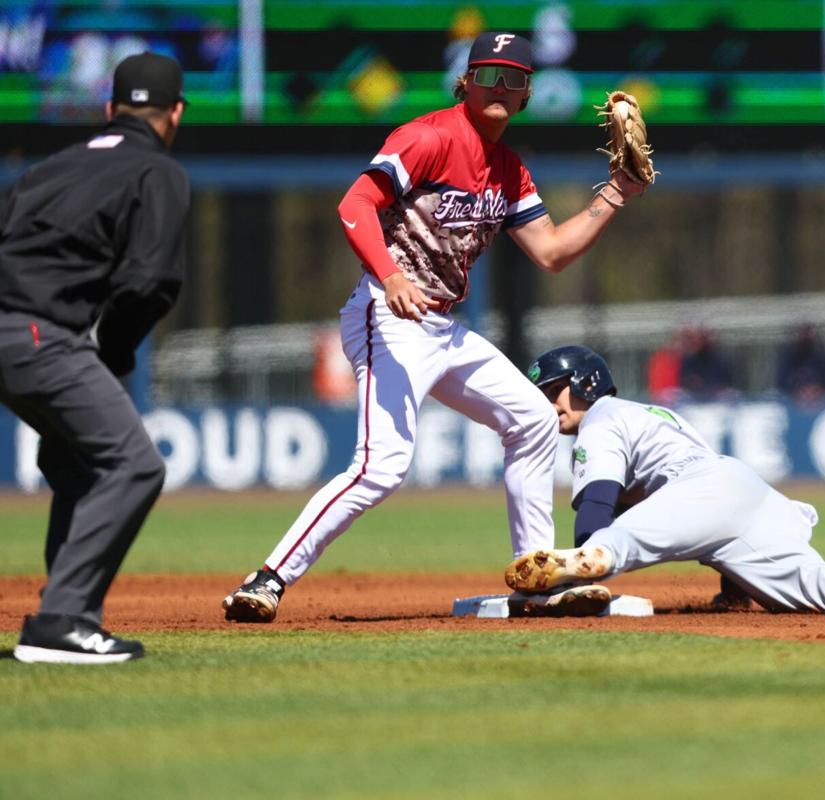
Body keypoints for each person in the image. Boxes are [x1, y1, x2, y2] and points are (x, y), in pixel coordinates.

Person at [222, 32, 647, 622]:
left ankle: (537, 575)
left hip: (441, 327)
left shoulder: (507, 169)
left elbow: (550, 251)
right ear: (466, 82)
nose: (501, 87)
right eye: (489, 75)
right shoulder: (427, 136)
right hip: (387, 313)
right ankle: (269, 578)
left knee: (531, 420)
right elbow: (355, 205)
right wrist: (390, 274)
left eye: (514, 78)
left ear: (526, 94)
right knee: (382, 467)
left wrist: (617, 193)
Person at [505, 346, 825, 616]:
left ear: (586, 384)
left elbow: (597, 504)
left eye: (553, 391)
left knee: (610, 545)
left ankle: (585, 564)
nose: (548, 405)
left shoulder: (601, 418)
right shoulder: (651, 414)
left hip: (702, 488)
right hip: (746, 493)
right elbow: (704, 520)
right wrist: (736, 588)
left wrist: (587, 559)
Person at [0, 52, 190, 663]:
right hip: (37, 333)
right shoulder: (157, 173)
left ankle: (68, 614)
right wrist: (112, 354)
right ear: (176, 113)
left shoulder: (50, 168)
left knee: (82, 462)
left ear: (109, 110)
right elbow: (148, 283)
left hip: (16, 332)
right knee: (136, 466)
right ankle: (62, 623)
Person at [775, 324, 825, 405]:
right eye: (803, 332)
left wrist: (817, 391)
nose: (805, 335)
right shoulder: (788, 361)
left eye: (809, 332)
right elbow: (782, 384)